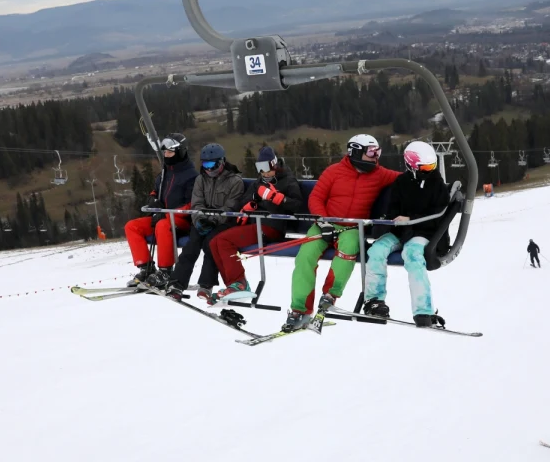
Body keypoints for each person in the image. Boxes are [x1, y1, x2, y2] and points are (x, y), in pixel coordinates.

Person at [284, 134, 400, 332]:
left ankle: (330, 295)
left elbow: (406, 179)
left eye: (377, 151)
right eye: (371, 152)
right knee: (305, 257)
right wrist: (323, 221)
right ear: (355, 152)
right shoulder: (334, 172)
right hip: (325, 224)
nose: (376, 156)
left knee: (348, 249)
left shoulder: (379, 174)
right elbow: (316, 198)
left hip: (353, 227)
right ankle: (299, 310)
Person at [361, 141, 451, 327]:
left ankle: (423, 311)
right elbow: (393, 208)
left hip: (425, 232)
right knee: (376, 250)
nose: (429, 170)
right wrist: (389, 220)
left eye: (432, 166)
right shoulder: (401, 183)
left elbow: (438, 215)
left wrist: (411, 218)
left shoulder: (437, 185)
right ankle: (374, 301)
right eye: (424, 167)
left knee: (412, 254)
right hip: (401, 231)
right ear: (411, 165)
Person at [206, 147, 304, 304]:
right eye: (260, 169)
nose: (264, 173)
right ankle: (232, 285)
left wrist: (280, 199)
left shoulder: (287, 180)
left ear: (274, 164)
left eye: (266, 168)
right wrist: (250, 203)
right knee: (214, 242)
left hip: (272, 226)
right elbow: (242, 201)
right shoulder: (259, 183)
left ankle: (240, 284)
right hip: (256, 224)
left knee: (224, 241)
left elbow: (298, 206)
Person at [164, 144, 245, 299]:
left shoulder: (235, 181)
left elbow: (230, 207)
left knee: (211, 244)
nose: (208, 169)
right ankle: (177, 283)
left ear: (221, 162)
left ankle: (206, 285)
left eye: (212, 164)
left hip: (223, 223)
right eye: (205, 164)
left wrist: (214, 221)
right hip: (202, 220)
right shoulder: (201, 179)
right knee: (191, 246)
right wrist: (199, 219)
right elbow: (197, 203)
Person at [123, 133, 197, 288]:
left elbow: (192, 204)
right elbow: (156, 190)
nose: (166, 155)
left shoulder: (191, 176)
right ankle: (146, 268)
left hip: (182, 220)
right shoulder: (165, 173)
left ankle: (165, 271)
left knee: (162, 225)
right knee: (132, 226)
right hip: (163, 217)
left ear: (180, 152)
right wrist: (153, 200)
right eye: (165, 152)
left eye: (170, 152)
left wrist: (168, 213)